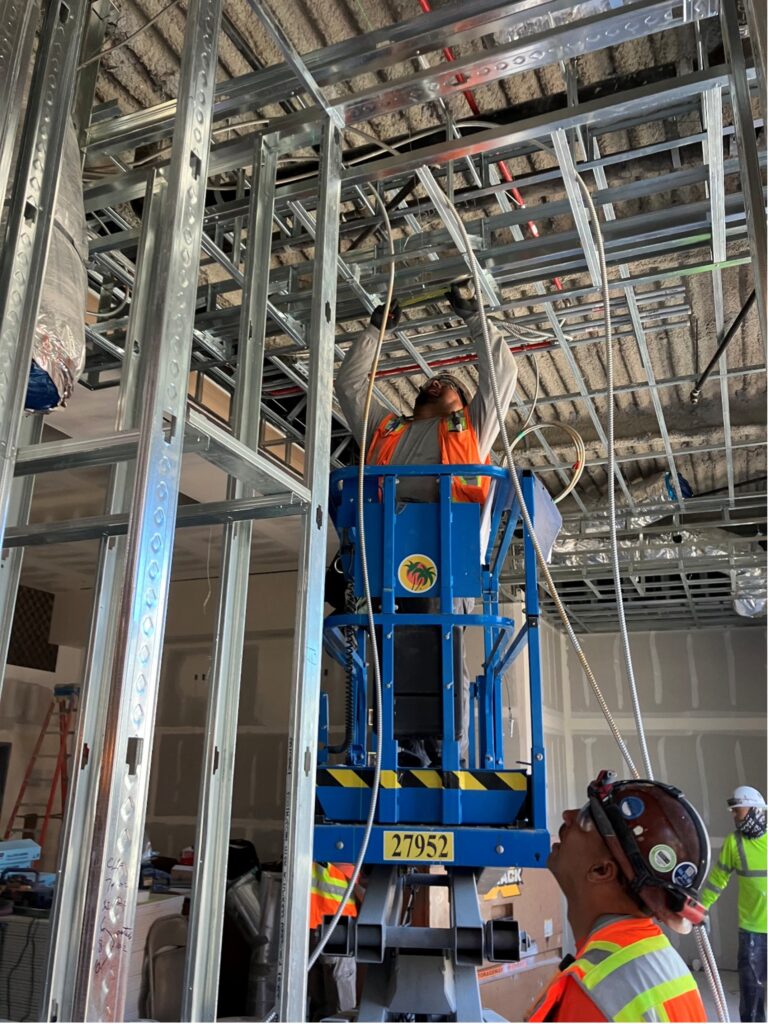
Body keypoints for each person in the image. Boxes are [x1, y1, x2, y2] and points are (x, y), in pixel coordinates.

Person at [334, 285, 518, 766]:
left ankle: (441, 748)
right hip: (387, 547)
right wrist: (375, 333)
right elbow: (351, 385)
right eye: (430, 381)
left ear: (462, 401)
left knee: (441, 643)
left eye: (446, 381)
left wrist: (475, 316)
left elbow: (503, 374)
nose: (435, 380)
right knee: (390, 648)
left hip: (446, 547)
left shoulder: (472, 427)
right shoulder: (385, 429)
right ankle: (402, 744)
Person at [528, 770, 710, 1022]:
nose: (567, 816)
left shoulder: (595, 993)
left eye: (584, 820)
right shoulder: (661, 963)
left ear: (601, 871)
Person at [700, 785, 767, 1023]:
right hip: (752, 932)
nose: (734, 815)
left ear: (753, 810)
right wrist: (700, 908)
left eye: (737, 810)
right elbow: (718, 880)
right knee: (752, 992)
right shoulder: (734, 843)